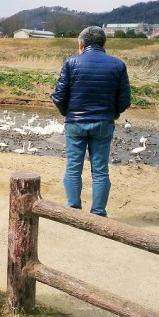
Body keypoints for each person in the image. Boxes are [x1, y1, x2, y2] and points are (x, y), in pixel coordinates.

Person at [50, 26, 131, 217]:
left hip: (75, 123)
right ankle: (98, 213)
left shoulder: (71, 63)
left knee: (73, 167)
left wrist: (67, 114)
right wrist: (112, 115)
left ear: (81, 44)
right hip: (103, 123)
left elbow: (59, 96)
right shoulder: (118, 65)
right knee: (101, 170)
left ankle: (73, 210)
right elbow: (124, 100)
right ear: (104, 44)